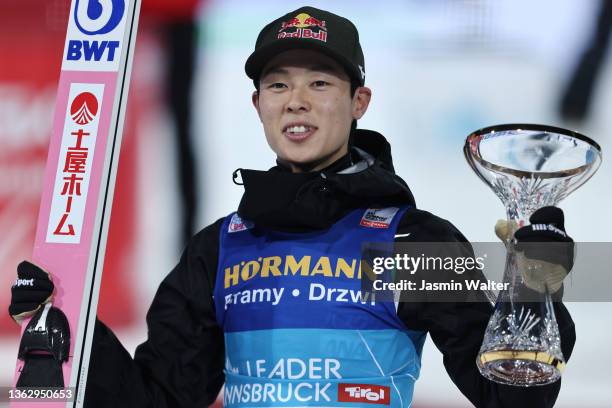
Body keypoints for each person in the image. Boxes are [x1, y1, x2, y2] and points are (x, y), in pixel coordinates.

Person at [10, 6, 576, 407]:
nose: (296, 101)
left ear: (360, 101)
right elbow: (158, 400)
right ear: (258, 105)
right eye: (278, 86)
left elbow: (513, 398)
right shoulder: (221, 246)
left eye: (320, 83)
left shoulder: (411, 242)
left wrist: (535, 289)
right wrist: (76, 337)